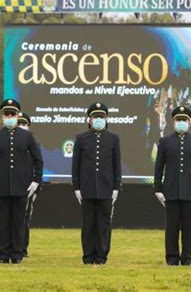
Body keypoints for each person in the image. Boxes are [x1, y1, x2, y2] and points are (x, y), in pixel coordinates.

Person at [0, 99, 43, 264]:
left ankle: (17, 253)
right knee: (2, 222)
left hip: (21, 187)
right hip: (0, 186)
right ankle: (3, 253)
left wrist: (36, 181)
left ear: (17, 115)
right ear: (2, 116)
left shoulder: (27, 136)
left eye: (12, 114)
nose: (9, 116)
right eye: (6, 114)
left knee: (18, 221)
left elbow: (38, 160)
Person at [153, 106, 191, 266]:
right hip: (170, 192)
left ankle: (186, 258)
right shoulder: (165, 142)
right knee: (171, 227)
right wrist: (157, 189)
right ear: (173, 122)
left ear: (190, 122)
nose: (182, 122)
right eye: (179, 120)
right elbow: (159, 167)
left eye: (184, 120)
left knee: (188, 228)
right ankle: (171, 258)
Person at [72, 102, 122, 265]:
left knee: (104, 223)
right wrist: (76, 187)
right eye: (96, 117)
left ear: (106, 119)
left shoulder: (113, 139)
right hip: (86, 188)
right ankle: (88, 256)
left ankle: (101, 256)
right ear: (89, 120)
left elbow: (117, 165)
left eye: (102, 117)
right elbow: (76, 165)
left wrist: (116, 187)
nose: (99, 120)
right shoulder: (81, 139)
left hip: (106, 188)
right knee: (88, 224)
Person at [17, 111, 43, 257]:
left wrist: (37, 185)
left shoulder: (34, 144)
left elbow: (38, 165)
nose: (21, 126)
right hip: (14, 185)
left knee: (25, 218)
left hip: (29, 186)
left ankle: (23, 247)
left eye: (24, 124)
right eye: (19, 123)